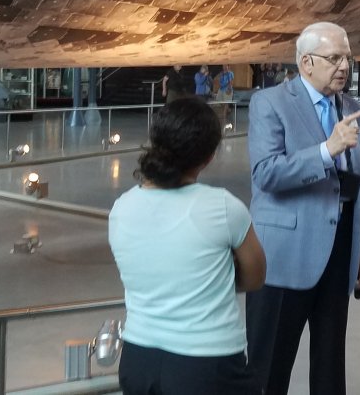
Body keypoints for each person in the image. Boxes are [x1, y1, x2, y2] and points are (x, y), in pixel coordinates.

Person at [245, 22, 360, 395]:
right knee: (269, 367)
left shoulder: (358, 112)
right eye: (334, 58)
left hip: (338, 256)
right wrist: (326, 151)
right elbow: (266, 173)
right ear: (306, 62)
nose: (344, 68)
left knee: (330, 368)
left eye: (347, 59)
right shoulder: (269, 104)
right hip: (284, 258)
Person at [109, 97, 266, 395]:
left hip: (138, 361)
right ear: (207, 157)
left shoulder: (121, 208)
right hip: (207, 364)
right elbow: (256, 276)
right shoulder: (222, 207)